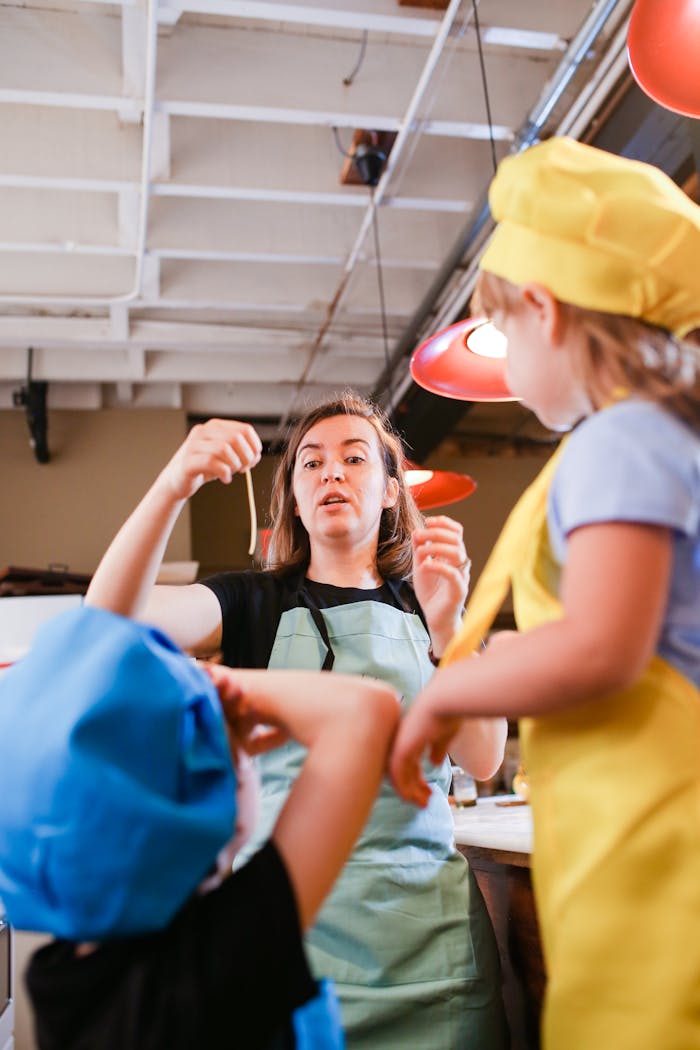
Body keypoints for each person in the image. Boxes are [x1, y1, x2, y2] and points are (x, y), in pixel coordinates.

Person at [389, 136, 700, 1050]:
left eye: (507, 335)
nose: (506, 374)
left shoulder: (619, 441)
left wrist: (448, 689)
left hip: (663, 847)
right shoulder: (665, 434)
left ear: (542, 308)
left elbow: (605, 649)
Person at [85, 392, 509, 1049]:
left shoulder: (433, 603)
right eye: (310, 463)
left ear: (393, 491)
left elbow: (483, 760)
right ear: (294, 498)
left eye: (354, 457)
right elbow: (108, 622)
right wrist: (173, 488)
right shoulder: (252, 601)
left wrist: (452, 626)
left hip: (432, 955)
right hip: (284, 943)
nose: (331, 472)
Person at [0, 603, 400, 1050]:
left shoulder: (59, 972)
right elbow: (365, 710)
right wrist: (209, 685)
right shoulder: (223, 955)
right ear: (206, 808)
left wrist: (186, 711)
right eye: (236, 756)